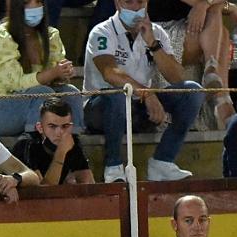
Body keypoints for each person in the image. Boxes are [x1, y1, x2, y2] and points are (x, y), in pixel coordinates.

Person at [83, 0, 205, 183]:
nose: (135, 7)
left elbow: (178, 77)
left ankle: (162, 162)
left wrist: (152, 43)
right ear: (117, 4)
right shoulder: (102, 32)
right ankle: (113, 167)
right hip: (101, 110)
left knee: (192, 92)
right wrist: (147, 93)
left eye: (140, 2)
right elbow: (110, 73)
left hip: (138, 109)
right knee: (117, 94)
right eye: (128, 2)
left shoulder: (156, 33)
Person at [0, 0, 84, 136]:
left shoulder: (50, 35)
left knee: (71, 93)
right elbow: (16, 84)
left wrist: (63, 73)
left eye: (38, 2)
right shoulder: (1, 36)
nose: (34, 7)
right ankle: (31, 143)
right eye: (27, 3)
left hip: (36, 100)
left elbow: (55, 79)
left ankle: (73, 142)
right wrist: (52, 73)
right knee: (42, 92)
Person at [147, 0, 237, 128]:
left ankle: (213, 72)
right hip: (157, 30)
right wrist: (225, 6)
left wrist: (217, 5)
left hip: (186, 26)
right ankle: (222, 103)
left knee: (220, 26)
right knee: (216, 15)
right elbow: (201, 2)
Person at [10, 97, 95, 185]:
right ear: (40, 128)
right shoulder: (27, 144)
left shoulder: (73, 142)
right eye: (52, 126)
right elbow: (43, 191)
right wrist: (61, 153)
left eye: (65, 126)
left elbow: (89, 184)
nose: (59, 132)